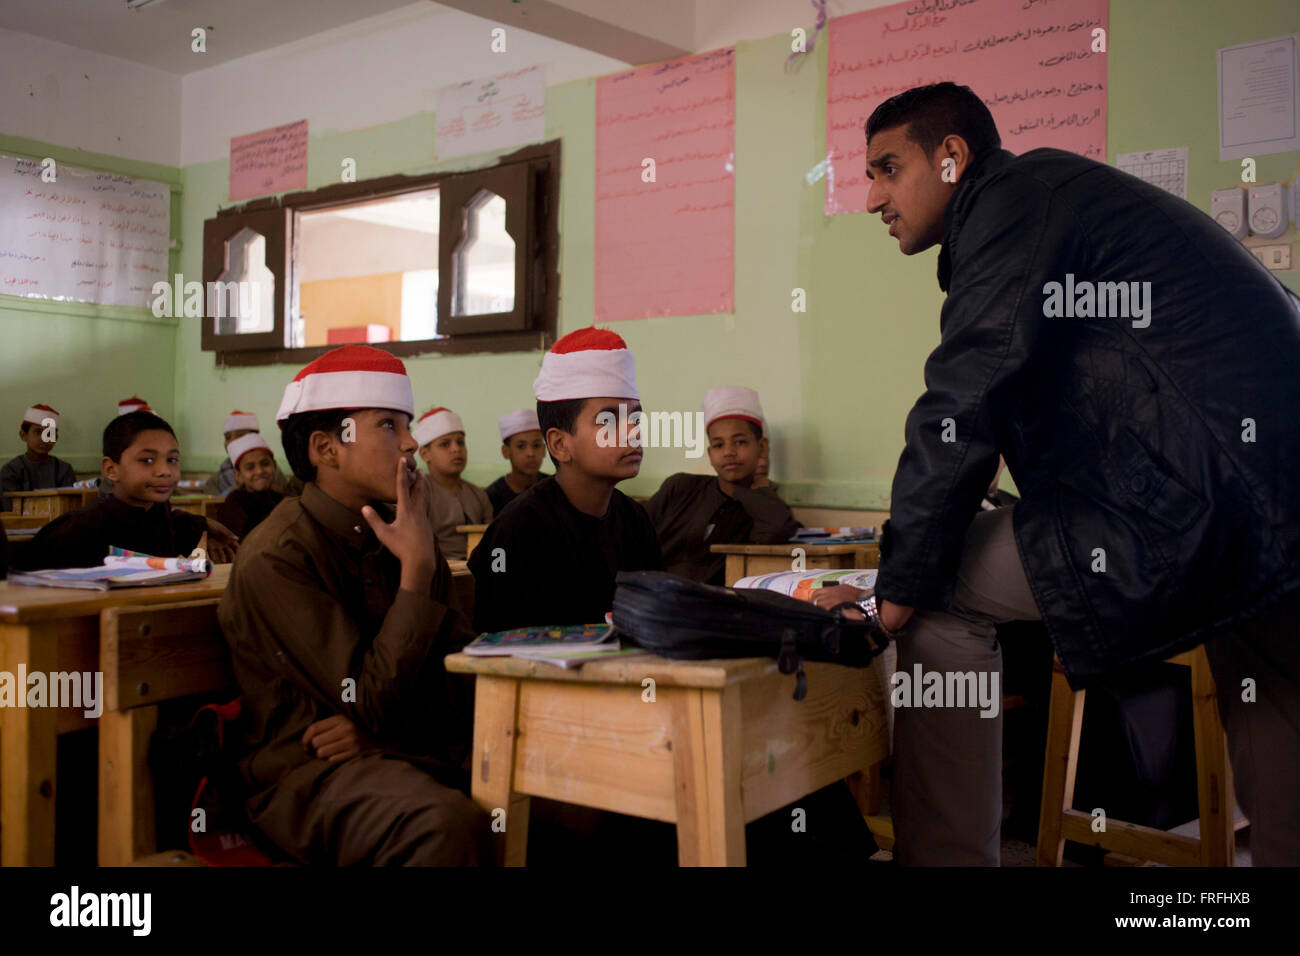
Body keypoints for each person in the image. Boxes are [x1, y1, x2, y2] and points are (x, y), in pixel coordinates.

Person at [809, 82, 1300, 865]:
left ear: (952, 157)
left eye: (886, 169)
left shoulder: (1010, 202)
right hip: (1267, 503)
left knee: (942, 591)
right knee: (1276, 702)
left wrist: (894, 591)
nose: (871, 196)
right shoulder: (1058, 195)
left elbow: (966, 394)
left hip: (1205, 499)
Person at [218, 344, 490, 866]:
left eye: (405, 425)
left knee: (570, 792)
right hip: (306, 773)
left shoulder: (403, 530)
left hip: (406, 746)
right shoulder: (279, 554)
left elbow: (461, 671)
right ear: (326, 449)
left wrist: (382, 729)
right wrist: (415, 571)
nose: (410, 442)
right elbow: (366, 698)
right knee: (442, 828)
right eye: (389, 425)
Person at [468, 328, 661, 635]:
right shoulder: (518, 531)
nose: (632, 432)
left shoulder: (635, 521)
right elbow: (498, 646)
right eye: (609, 420)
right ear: (559, 445)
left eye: (635, 418)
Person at [15, 409, 239, 570]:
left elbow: (172, 522)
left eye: (172, 459)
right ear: (111, 469)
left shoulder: (161, 517)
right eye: (147, 460)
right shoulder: (81, 529)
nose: (165, 471)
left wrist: (203, 526)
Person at [645, 386, 799, 583]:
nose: (728, 452)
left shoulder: (761, 507)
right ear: (710, 454)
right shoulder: (681, 488)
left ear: (762, 447)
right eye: (718, 445)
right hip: (649, 595)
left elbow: (776, 530)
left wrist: (757, 484)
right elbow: (634, 535)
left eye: (740, 442)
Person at [412, 406, 492, 561]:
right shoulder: (420, 490)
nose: (456, 449)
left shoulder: (479, 494)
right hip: (436, 572)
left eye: (460, 442)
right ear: (424, 454)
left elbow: (491, 540)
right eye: (445, 444)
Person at [1, 404, 77, 511]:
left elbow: (69, 508)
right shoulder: (11, 471)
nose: (44, 439)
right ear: (23, 435)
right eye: (38, 432)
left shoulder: (64, 470)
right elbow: (10, 510)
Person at [203, 410, 292, 496]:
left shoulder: (272, 473)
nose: (232, 441)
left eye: (240, 435)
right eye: (227, 437)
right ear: (237, 474)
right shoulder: (215, 480)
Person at [214, 433, 285, 537]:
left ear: (274, 465)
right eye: (250, 467)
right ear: (238, 475)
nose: (259, 471)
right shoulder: (234, 503)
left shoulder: (283, 499)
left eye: (265, 464)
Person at [484, 408, 549, 515]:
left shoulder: (555, 489)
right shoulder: (492, 496)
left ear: (544, 450)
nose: (530, 453)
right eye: (521, 446)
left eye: (536, 445)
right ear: (506, 452)